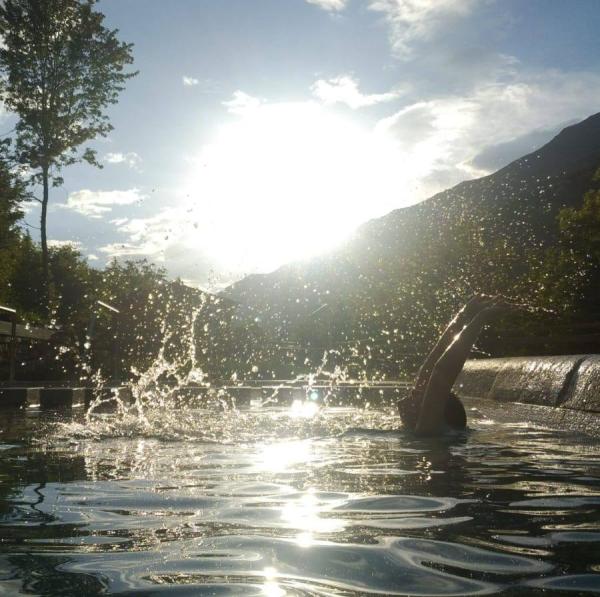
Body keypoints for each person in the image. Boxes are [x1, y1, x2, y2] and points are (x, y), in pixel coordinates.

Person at [398, 294, 515, 436]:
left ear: (434, 410)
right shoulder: (422, 426)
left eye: (420, 396)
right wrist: (464, 315)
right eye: (417, 394)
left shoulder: (428, 429)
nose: (413, 392)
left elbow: (441, 371)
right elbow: (430, 368)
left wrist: (481, 318)